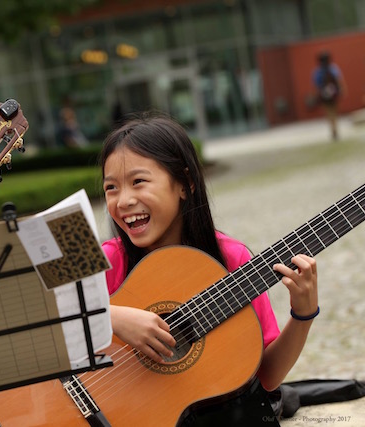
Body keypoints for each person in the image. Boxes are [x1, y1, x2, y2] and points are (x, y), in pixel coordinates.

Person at [99, 114, 319, 425]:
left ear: (185, 184)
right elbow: (39, 315)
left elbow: (265, 377)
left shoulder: (230, 259)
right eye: (111, 188)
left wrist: (303, 315)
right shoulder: (108, 261)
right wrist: (111, 316)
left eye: (138, 182)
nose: (124, 200)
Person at [312, 51, 345, 141]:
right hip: (333, 93)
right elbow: (338, 81)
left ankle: (333, 130)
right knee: (334, 111)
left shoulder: (318, 71)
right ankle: (335, 129)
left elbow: (316, 85)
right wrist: (341, 91)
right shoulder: (333, 68)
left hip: (324, 95)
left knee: (329, 112)